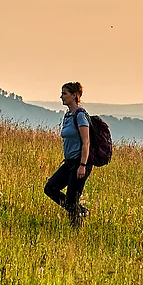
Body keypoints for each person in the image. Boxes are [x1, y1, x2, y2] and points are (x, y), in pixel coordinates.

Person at [43, 81, 93, 227]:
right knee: (50, 188)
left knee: (72, 199)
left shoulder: (80, 115)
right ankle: (81, 211)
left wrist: (83, 165)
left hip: (80, 163)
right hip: (69, 162)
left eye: (65, 93)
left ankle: (76, 228)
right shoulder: (68, 115)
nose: (61, 96)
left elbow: (86, 142)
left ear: (74, 95)